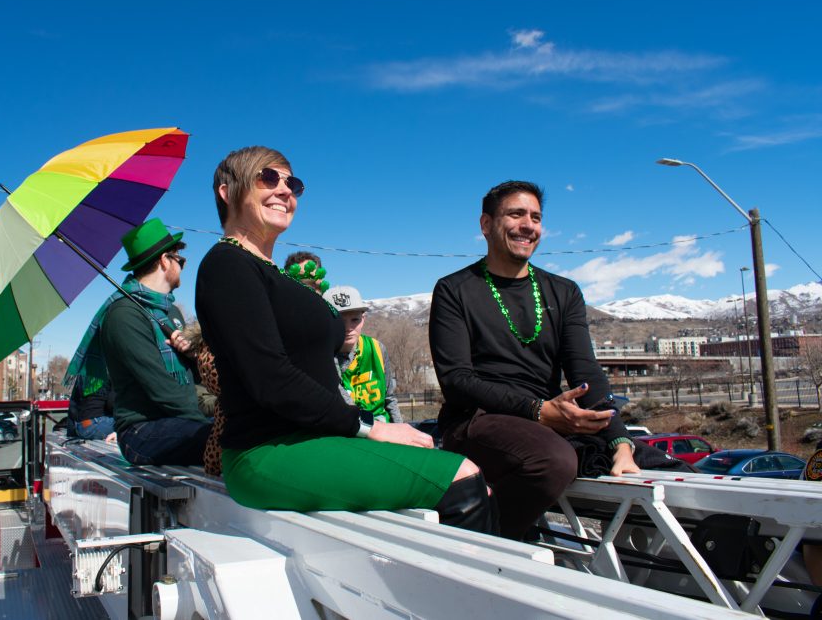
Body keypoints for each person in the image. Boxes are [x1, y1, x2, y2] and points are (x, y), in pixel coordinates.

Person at [195, 146, 496, 535]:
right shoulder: (226, 265)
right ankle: (474, 595)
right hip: (268, 450)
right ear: (226, 191)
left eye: (293, 183)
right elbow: (270, 378)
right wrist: (372, 427)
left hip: (317, 440)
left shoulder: (275, 275)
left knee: (469, 476)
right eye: (268, 178)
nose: (285, 191)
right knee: (462, 475)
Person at [429, 180, 638, 540]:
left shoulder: (564, 291)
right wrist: (538, 411)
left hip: (546, 421)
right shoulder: (454, 290)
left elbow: (584, 371)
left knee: (641, 466)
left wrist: (621, 443)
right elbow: (457, 380)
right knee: (553, 461)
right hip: (475, 420)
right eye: (516, 214)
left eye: (536, 217)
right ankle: (483, 545)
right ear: (486, 224)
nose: (529, 225)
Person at [95, 217, 210, 465]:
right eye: (180, 260)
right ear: (164, 260)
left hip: (180, 419)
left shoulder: (172, 312)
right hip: (142, 432)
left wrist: (193, 357)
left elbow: (195, 380)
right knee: (228, 439)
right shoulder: (124, 315)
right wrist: (221, 419)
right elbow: (161, 389)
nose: (183, 266)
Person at [323, 285, 402, 423]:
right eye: (340, 321)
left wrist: (401, 429)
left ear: (363, 318)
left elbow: (389, 398)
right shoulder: (324, 355)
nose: (348, 328)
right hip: (350, 428)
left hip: (384, 425)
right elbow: (344, 405)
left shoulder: (377, 348)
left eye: (355, 320)